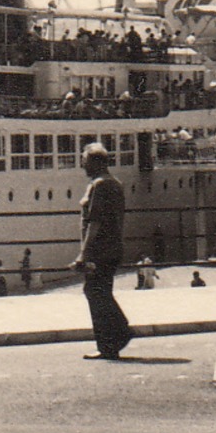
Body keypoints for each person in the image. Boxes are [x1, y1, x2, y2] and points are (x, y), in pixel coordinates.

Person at [72, 143, 132, 361]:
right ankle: (112, 341)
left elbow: (94, 223)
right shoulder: (115, 183)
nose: (82, 165)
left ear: (96, 162)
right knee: (100, 292)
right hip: (112, 247)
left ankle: (117, 335)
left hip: (100, 251)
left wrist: (84, 254)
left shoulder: (100, 185)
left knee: (95, 292)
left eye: (85, 160)